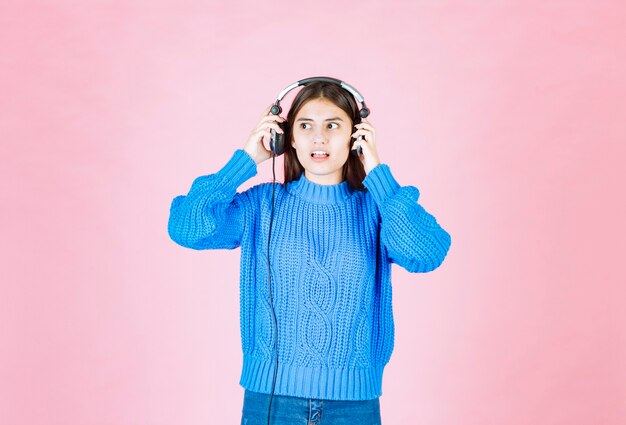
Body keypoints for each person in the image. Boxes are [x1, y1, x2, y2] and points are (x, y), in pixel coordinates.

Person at [167, 80, 452, 424]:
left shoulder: (377, 210)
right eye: (305, 126)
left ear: (356, 136)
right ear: (287, 138)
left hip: (354, 406)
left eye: (333, 125)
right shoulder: (261, 205)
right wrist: (244, 161)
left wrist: (378, 174)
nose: (319, 138)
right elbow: (186, 228)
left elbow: (427, 253)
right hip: (271, 402)